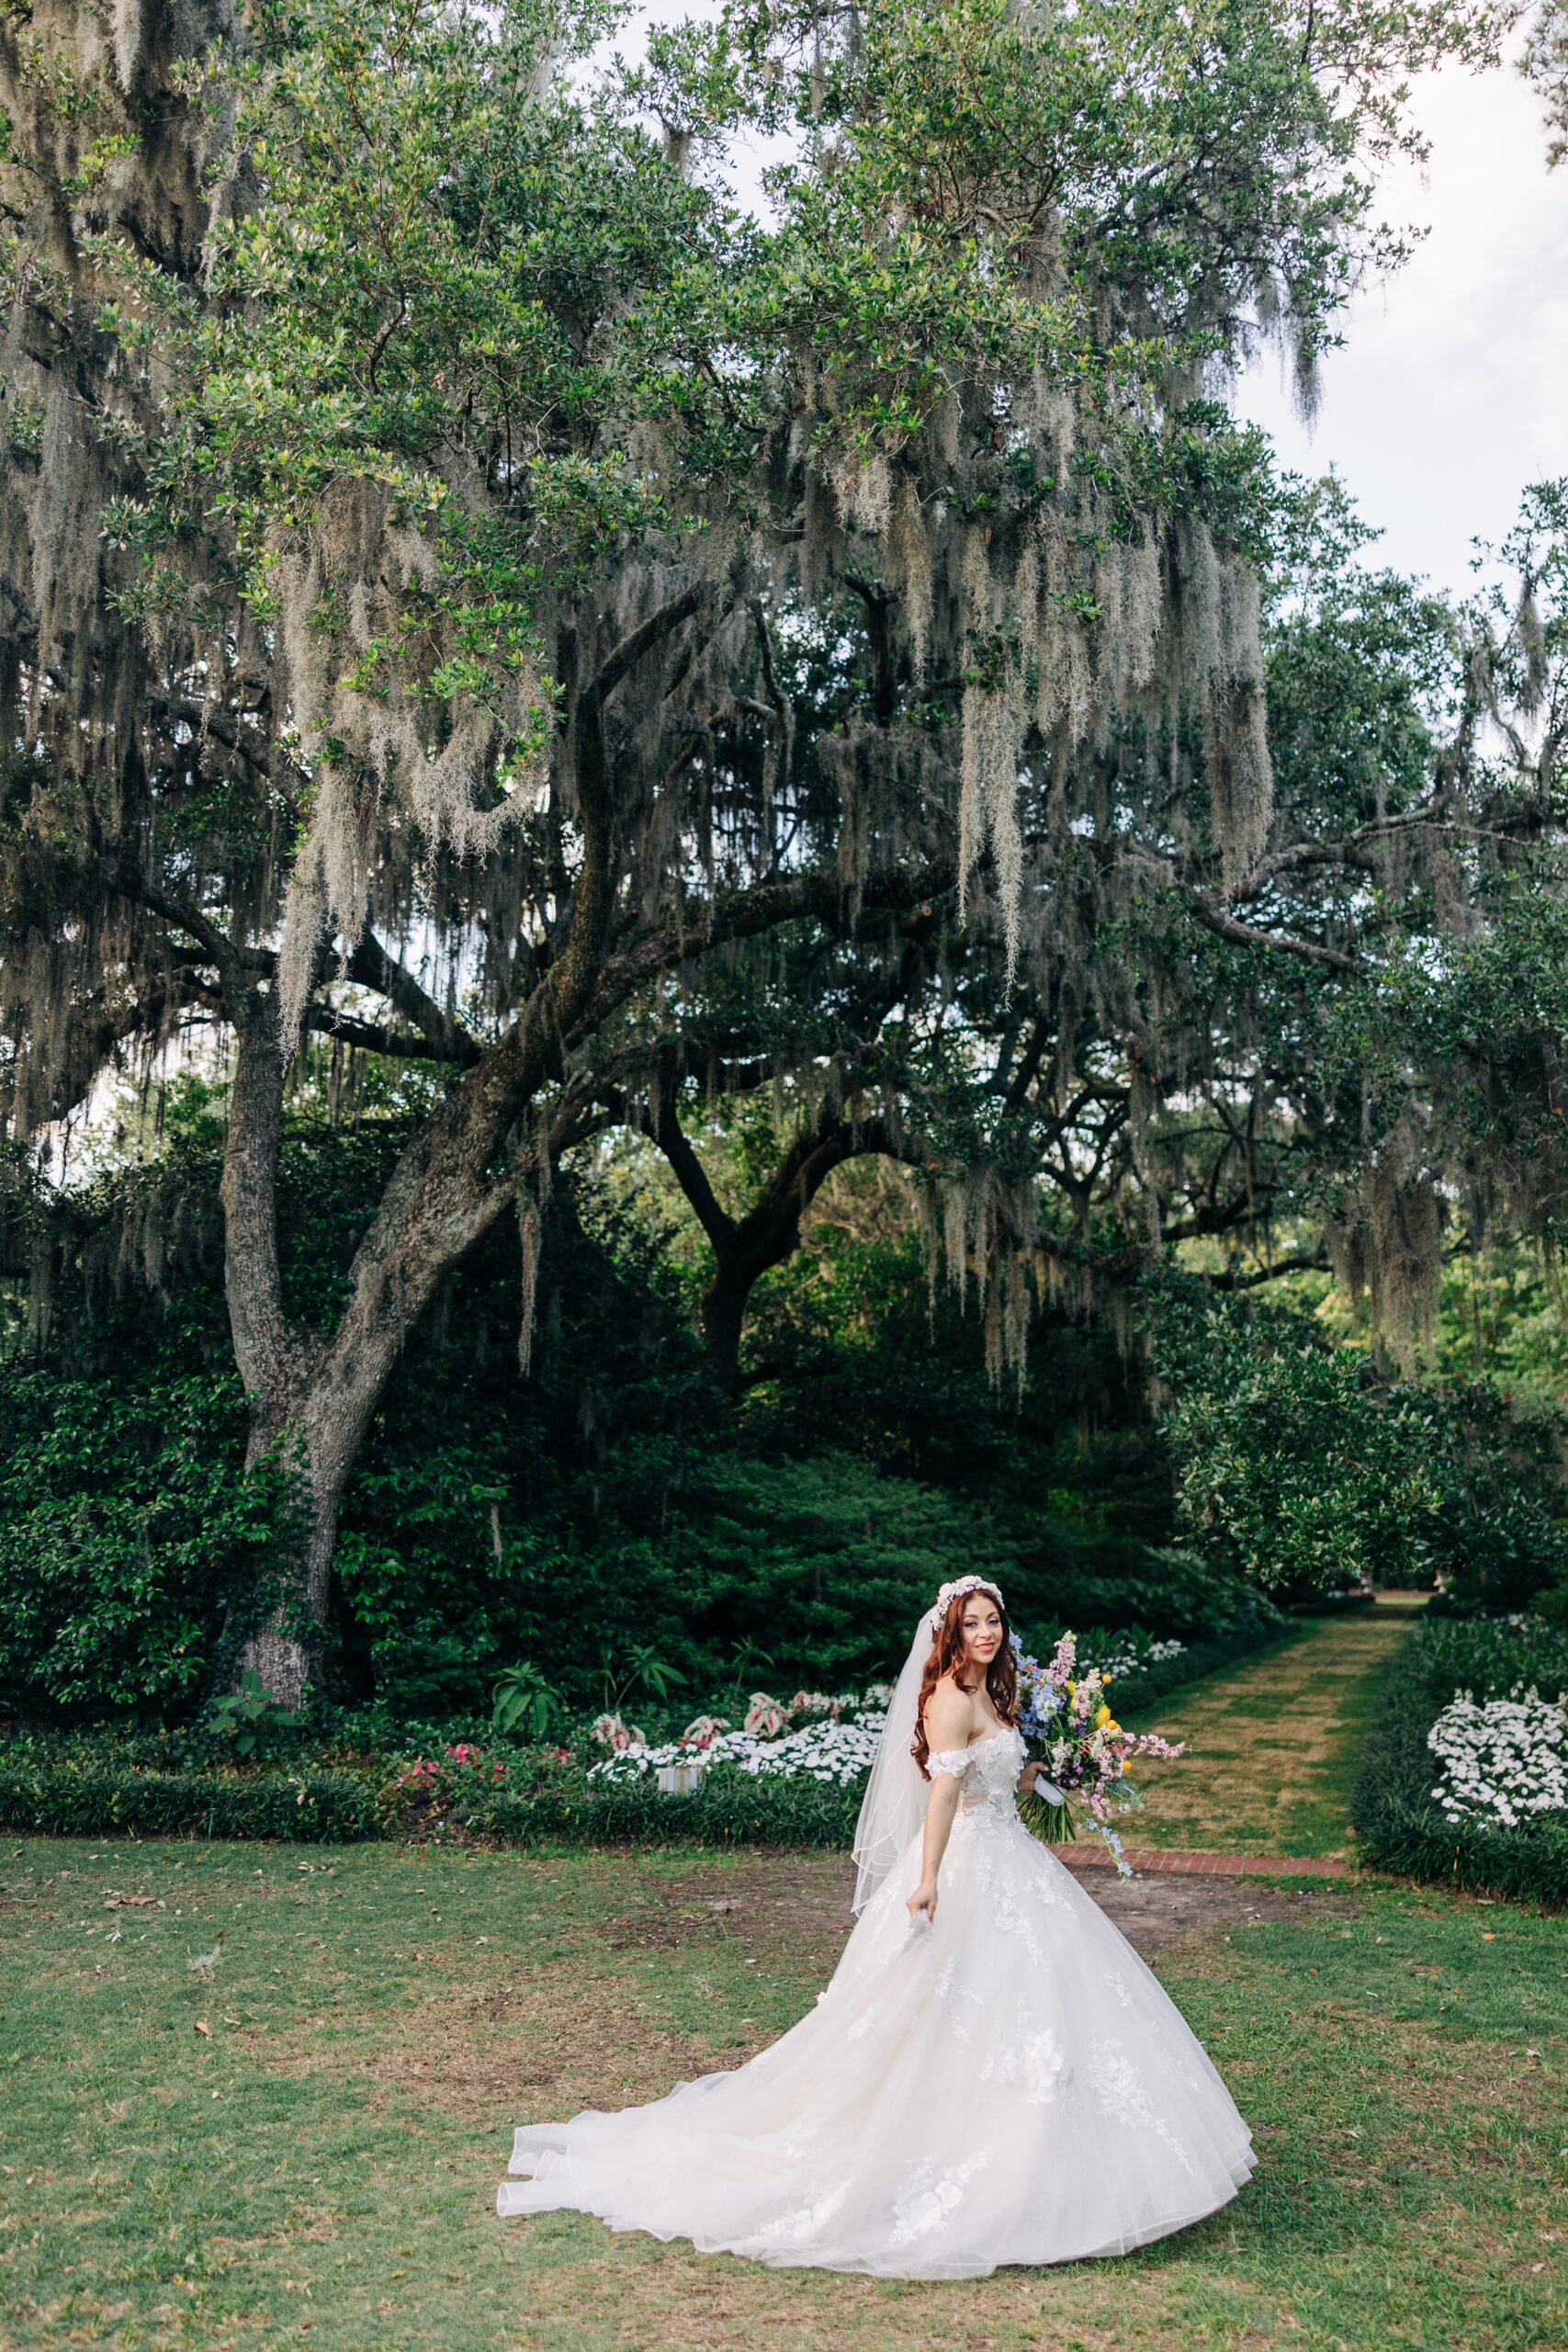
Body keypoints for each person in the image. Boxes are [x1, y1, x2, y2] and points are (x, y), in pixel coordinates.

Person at [497, 1575, 1254, 2276]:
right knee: (942, 2008)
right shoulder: (949, 1700)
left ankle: (1058, 2162)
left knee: (1047, 2004)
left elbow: (1000, 1775)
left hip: (1017, 1864)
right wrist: (926, 1880)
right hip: (966, 1866)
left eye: (994, 1622)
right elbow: (941, 1799)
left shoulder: (992, 1689)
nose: (987, 1633)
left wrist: (1054, 1770)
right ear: (948, 1633)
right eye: (973, 1624)